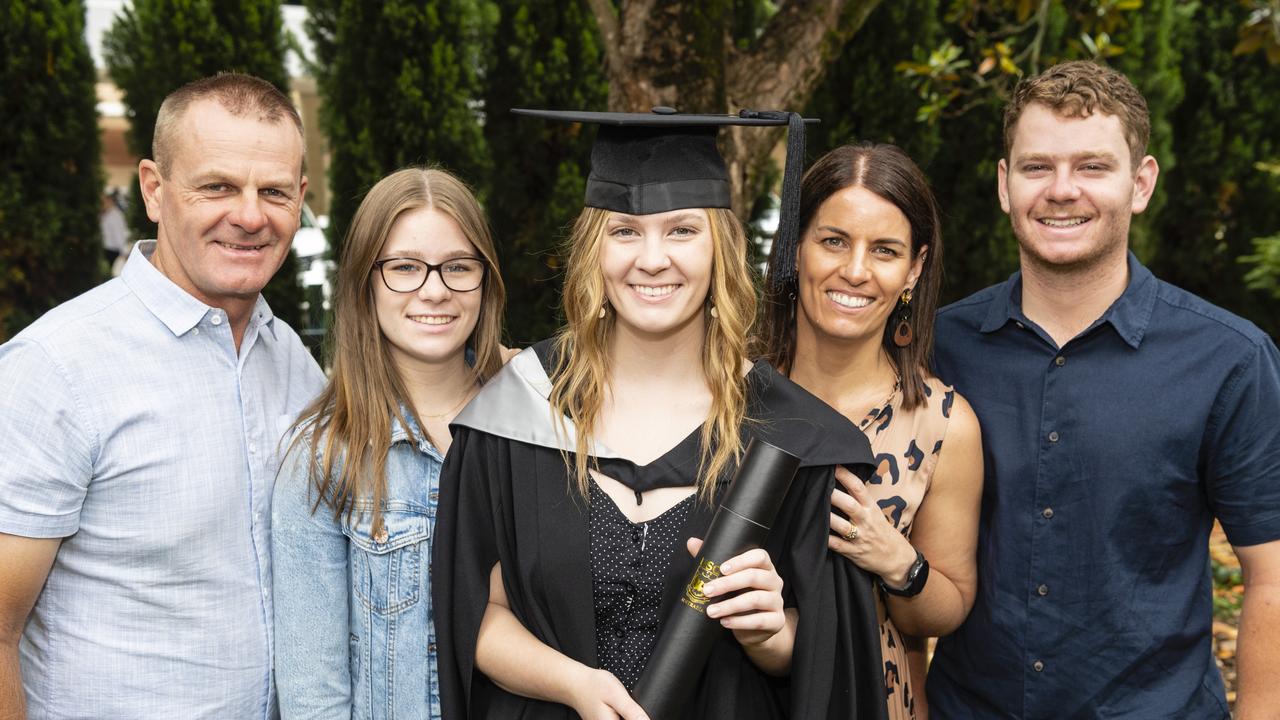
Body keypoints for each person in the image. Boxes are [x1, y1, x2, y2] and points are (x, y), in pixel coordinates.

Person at [432, 109, 889, 720]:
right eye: (624, 231)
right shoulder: (516, 414)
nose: (651, 259)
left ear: (720, 247)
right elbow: (475, 613)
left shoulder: (797, 443)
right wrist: (575, 686)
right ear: (595, 247)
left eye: (681, 230)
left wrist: (768, 632)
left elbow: (834, 665)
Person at [927, 60, 1280, 718]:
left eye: (1092, 167)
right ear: (1005, 185)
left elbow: (1273, 578)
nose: (1062, 190)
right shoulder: (939, 348)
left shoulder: (1229, 360)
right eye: (1037, 167)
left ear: (1140, 183)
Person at [0, 73, 324, 718]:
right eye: (217, 186)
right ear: (153, 189)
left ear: (301, 198)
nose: (251, 215)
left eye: (275, 192)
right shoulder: (56, 368)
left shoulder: (293, 360)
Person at [272, 166, 507, 719]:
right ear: (364, 283)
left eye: (458, 267)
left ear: (485, 280)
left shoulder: (537, 429)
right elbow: (314, 697)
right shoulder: (323, 459)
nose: (435, 290)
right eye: (404, 267)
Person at [758, 143, 983, 719]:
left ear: (914, 269)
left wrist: (896, 563)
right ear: (794, 248)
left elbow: (949, 606)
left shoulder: (943, 425)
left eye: (884, 251)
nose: (855, 271)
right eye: (833, 241)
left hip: (872, 700)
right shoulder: (725, 389)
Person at [100, 190, 129, 273]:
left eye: (104, 201)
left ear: (110, 200)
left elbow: (119, 234)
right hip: (108, 250)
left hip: (113, 251)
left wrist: (124, 252)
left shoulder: (115, 215)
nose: (102, 204)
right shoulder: (106, 213)